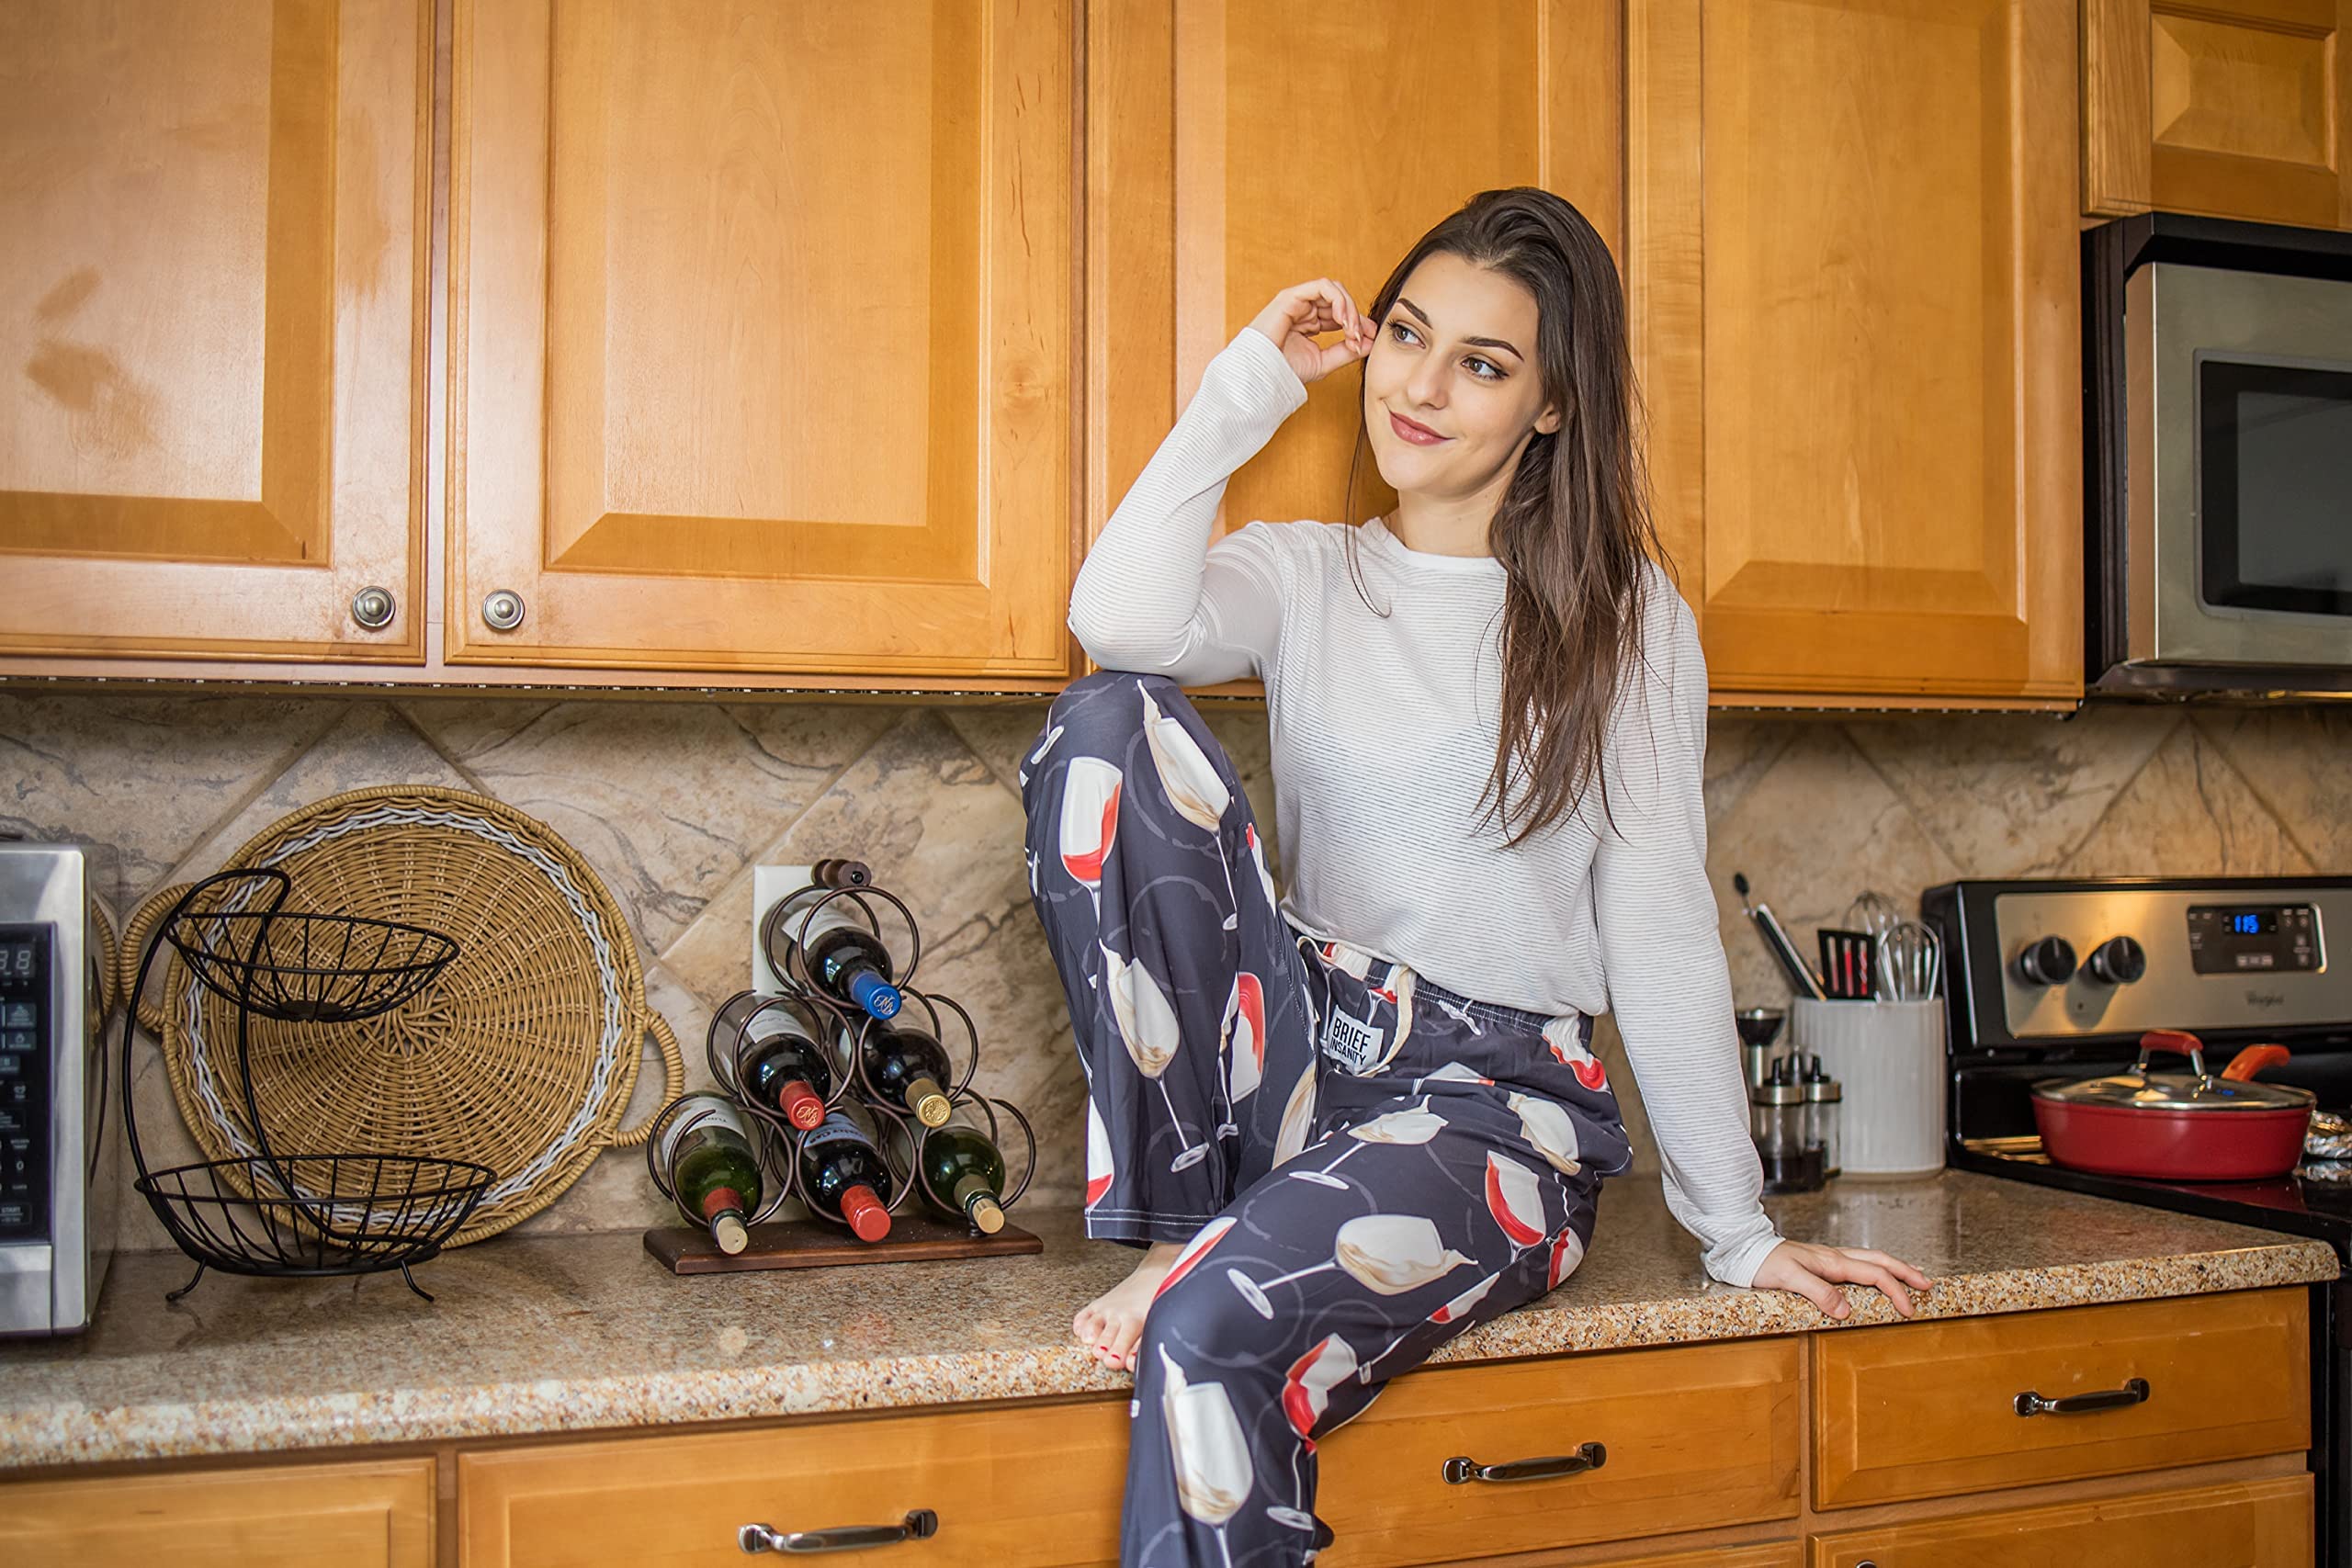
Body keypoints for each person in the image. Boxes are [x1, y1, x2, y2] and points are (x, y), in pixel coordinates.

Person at [1020, 186, 1930, 1568]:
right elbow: (1117, 619)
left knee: (1210, 1334)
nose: (1421, 387)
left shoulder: (1621, 618)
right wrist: (1246, 389)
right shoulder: (1309, 577)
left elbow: (1661, 919)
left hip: (1491, 1113)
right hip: (1298, 1075)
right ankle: (1188, 1220)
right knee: (1105, 720)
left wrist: (1733, 1228)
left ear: (1550, 408)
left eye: (1483, 364)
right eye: (1406, 335)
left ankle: (1201, 1267)